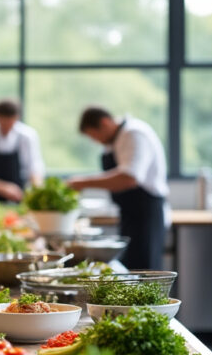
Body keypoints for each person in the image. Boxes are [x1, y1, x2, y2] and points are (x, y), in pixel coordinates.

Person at [68, 107, 170, 271]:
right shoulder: (114, 141)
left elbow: (129, 178)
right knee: (130, 271)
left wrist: (82, 183)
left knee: (144, 273)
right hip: (129, 214)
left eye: (94, 135)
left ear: (104, 122)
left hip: (146, 214)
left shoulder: (133, 133)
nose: (96, 141)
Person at [0, 98, 45, 202]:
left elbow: (34, 168)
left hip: (22, 197)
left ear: (17, 118)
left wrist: (38, 191)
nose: (7, 127)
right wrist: (4, 188)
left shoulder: (28, 136)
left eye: (11, 122)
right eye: (4, 122)